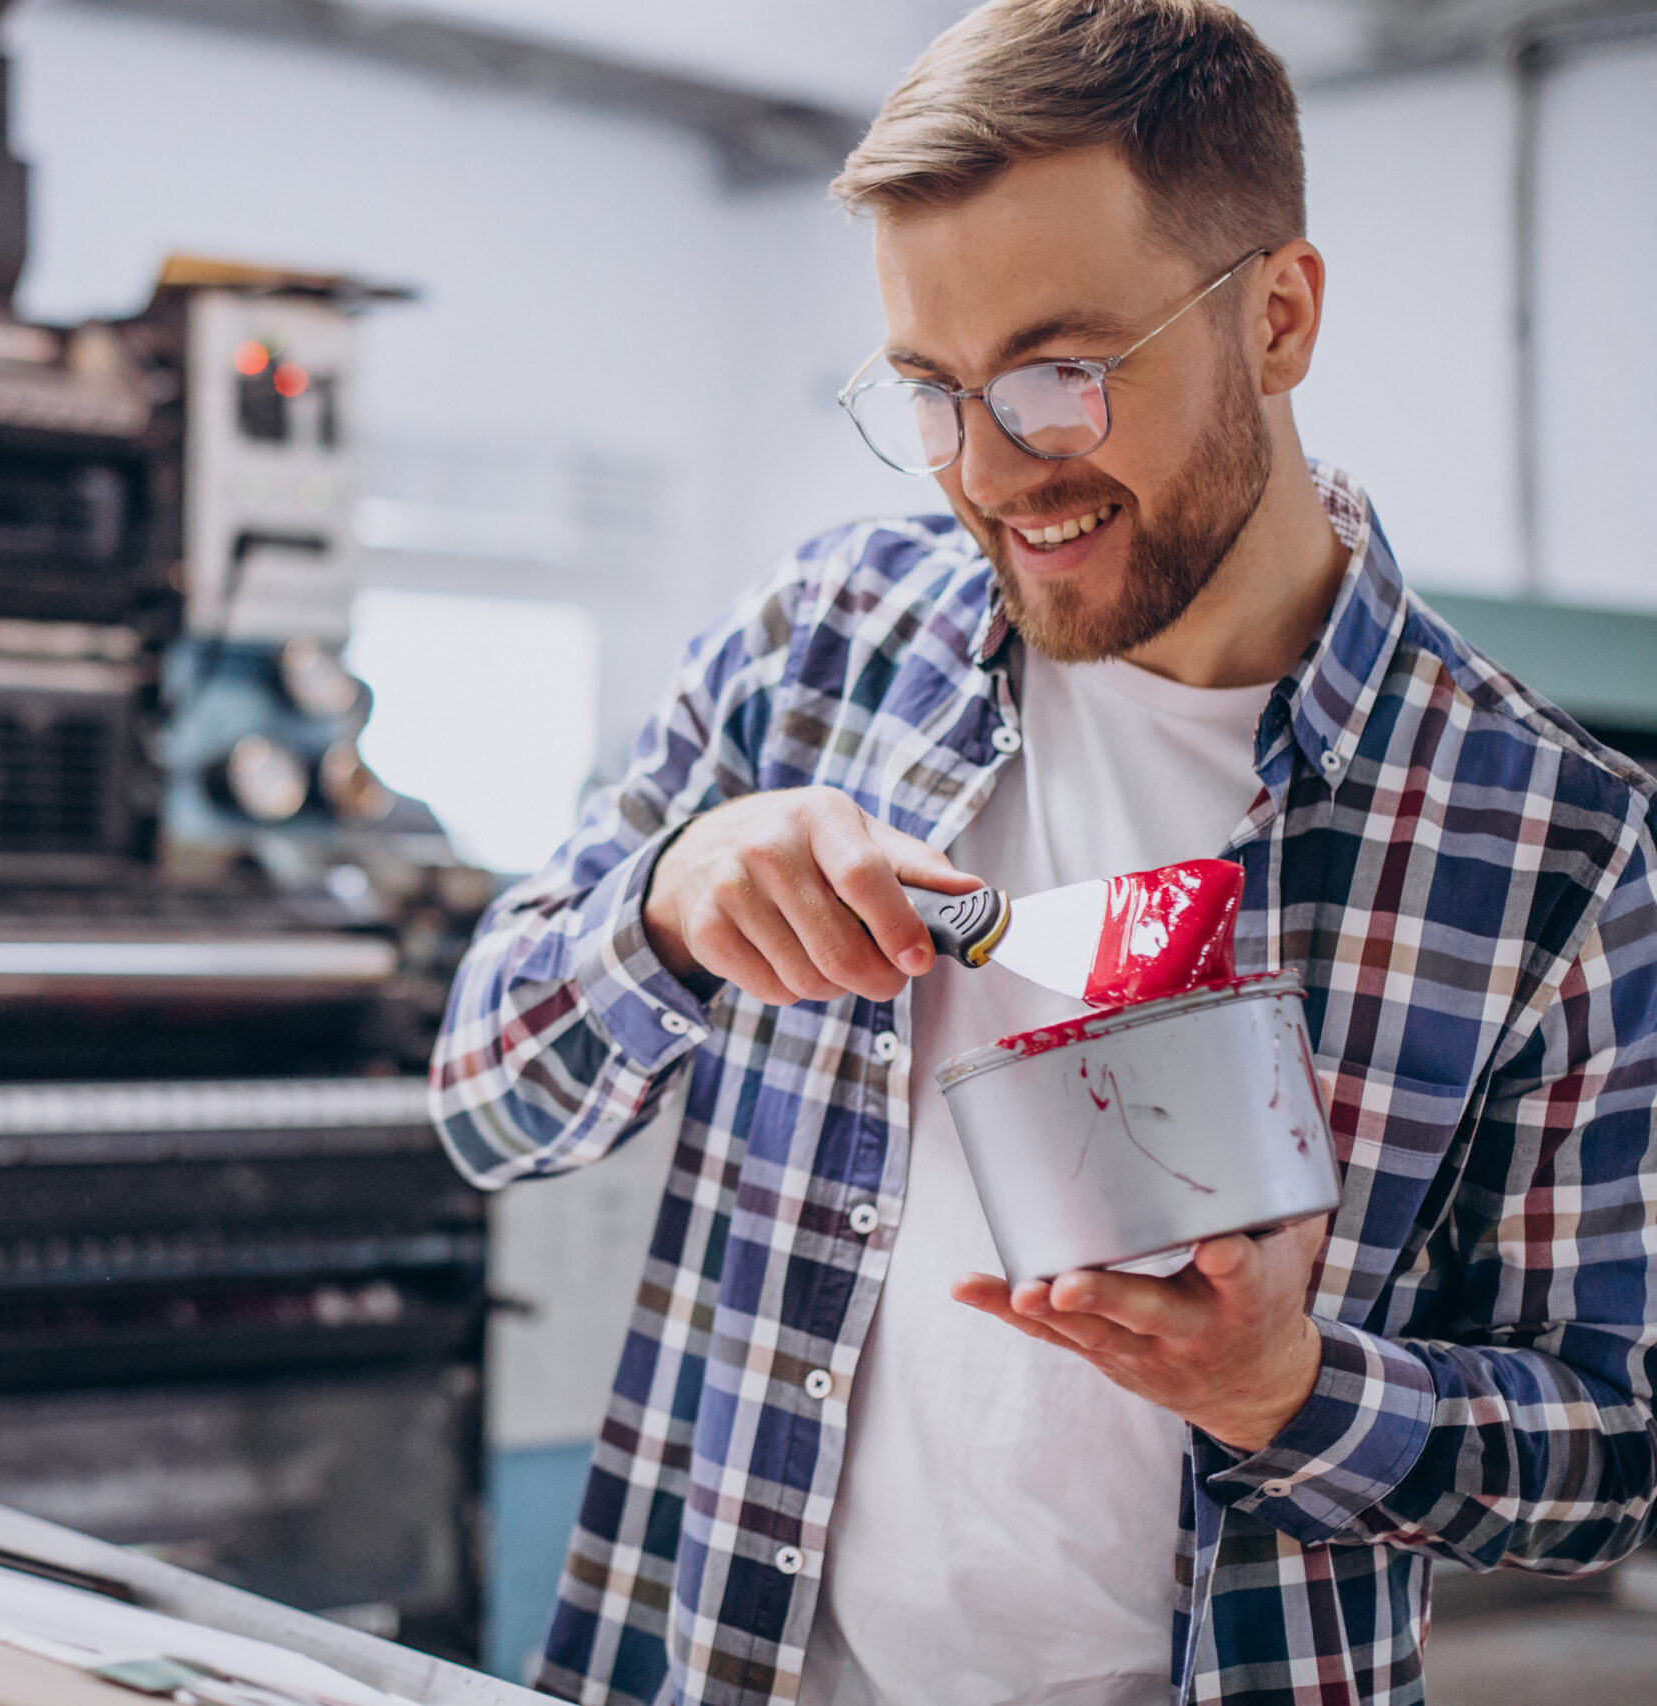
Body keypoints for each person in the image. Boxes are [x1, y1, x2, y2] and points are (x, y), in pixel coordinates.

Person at [426, 3, 1657, 1703]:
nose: (993, 474)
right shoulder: (819, 645)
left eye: (1057, 376)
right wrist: (665, 905)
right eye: (930, 392)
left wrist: (1286, 1389)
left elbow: (1611, 1456)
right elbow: (485, 1104)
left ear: (1280, 315)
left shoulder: (1556, 848)